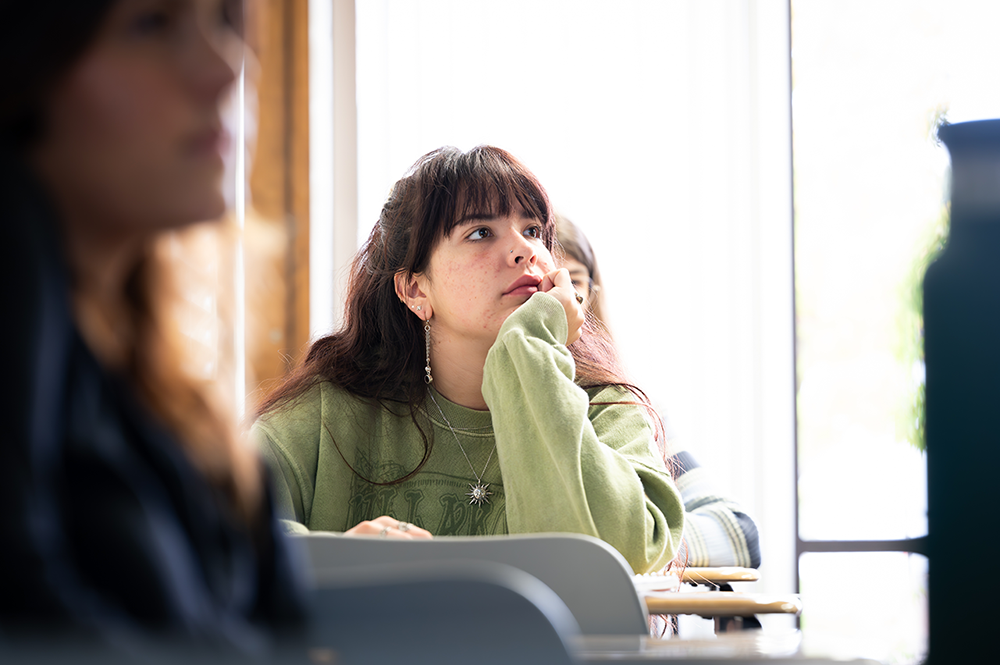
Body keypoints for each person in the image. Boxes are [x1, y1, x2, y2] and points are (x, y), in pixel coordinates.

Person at [0, 0, 305, 655]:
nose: (228, 68)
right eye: (151, 24)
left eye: (225, 22)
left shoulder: (149, 364)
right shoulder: (14, 241)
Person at [252, 145, 686, 575]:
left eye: (533, 230)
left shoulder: (607, 409)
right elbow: (219, 539)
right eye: (480, 232)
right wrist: (339, 557)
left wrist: (531, 348)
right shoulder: (329, 410)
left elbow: (614, 560)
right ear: (415, 291)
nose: (524, 251)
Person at [555, 214, 761, 568]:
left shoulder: (625, 403)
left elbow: (739, 533)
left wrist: (643, 541)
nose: (560, 301)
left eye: (574, 283)